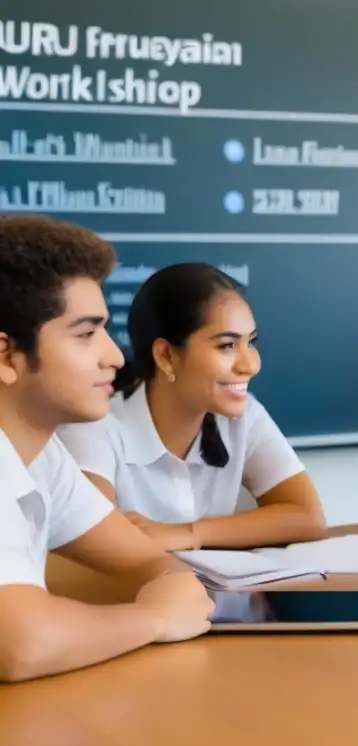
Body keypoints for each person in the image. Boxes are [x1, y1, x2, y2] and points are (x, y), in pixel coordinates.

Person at [0, 214, 214, 682]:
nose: (115, 356)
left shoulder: (41, 454)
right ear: (6, 355)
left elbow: (141, 557)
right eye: (85, 334)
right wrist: (155, 618)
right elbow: (20, 645)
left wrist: (170, 589)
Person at [58, 262, 327, 552]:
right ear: (166, 356)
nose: (250, 365)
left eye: (251, 342)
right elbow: (96, 547)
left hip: (222, 597)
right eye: (226, 345)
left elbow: (308, 517)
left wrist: (191, 533)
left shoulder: (245, 416)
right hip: (152, 598)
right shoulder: (95, 429)